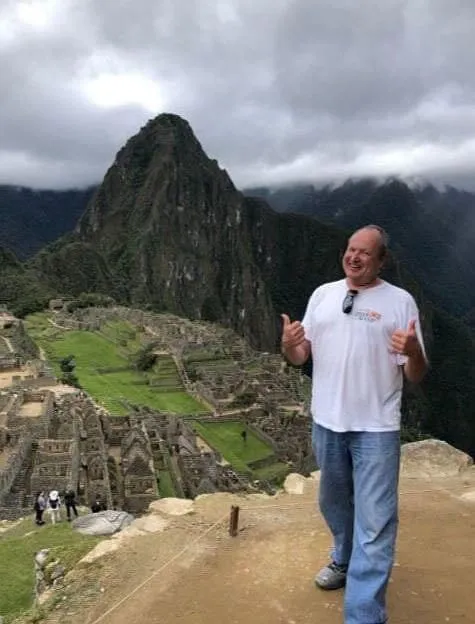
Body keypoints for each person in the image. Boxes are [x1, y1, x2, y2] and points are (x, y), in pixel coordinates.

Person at [280, 225, 428, 624]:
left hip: (376, 427)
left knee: (376, 521)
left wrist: (413, 352)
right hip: (327, 422)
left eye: (365, 252)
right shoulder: (323, 295)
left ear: (380, 260)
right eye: (350, 249)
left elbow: (415, 373)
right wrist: (290, 345)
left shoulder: (400, 302)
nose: (354, 256)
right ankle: (344, 559)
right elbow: (301, 356)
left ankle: (364, 614)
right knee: (334, 504)